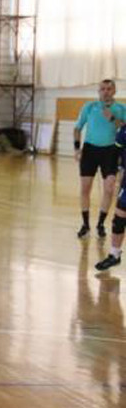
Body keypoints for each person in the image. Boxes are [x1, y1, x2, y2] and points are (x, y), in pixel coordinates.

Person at [75, 79, 126, 238]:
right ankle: (85, 224)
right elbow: (77, 128)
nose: (105, 92)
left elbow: (124, 128)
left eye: (109, 89)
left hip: (110, 151)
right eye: (102, 89)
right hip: (90, 150)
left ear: (114, 91)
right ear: (98, 91)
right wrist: (77, 148)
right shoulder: (89, 107)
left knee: (109, 189)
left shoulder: (121, 109)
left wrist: (112, 119)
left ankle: (101, 224)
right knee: (85, 188)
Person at [96, 123, 126, 270]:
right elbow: (115, 152)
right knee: (119, 216)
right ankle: (114, 255)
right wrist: (111, 174)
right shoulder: (124, 130)